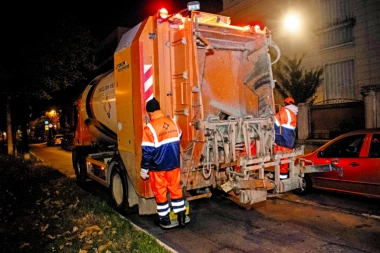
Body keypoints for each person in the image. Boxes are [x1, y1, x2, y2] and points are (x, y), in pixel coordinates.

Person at [140, 97, 188, 228]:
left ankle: (164, 219)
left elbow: (147, 152)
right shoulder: (172, 121)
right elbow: (179, 135)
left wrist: (144, 169)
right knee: (175, 189)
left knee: (160, 192)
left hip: (158, 167)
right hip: (174, 164)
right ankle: (181, 218)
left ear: (149, 113)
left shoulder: (149, 128)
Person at [274, 97, 298, 179]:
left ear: (286, 103)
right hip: (290, 139)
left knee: (282, 160)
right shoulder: (293, 113)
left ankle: (281, 179)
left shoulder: (284, 111)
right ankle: (283, 179)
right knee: (285, 161)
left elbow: (275, 121)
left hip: (284, 137)